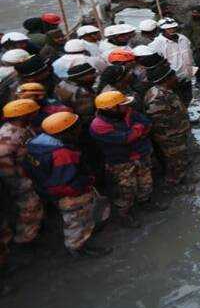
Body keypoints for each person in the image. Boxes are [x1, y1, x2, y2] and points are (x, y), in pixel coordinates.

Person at [24, 112, 112, 258]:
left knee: (74, 219)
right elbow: (65, 182)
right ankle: (78, 248)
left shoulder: (36, 144)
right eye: (75, 128)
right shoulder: (62, 153)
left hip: (48, 190)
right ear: (65, 131)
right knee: (75, 221)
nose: (78, 130)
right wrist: (85, 183)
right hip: (70, 195)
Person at [89, 91, 158, 227]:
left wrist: (135, 131)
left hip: (141, 155)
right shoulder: (98, 126)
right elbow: (125, 138)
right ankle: (124, 215)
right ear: (111, 109)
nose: (127, 107)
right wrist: (137, 130)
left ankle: (145, 202)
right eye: (122, 105)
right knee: (125, 190)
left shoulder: (128, 112)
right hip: (120, 162)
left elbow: (147, 124)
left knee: (146, 182)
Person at [0, 99, 45, 245]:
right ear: (22, 116)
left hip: (30, 172)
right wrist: (22, 185)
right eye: (32, 112)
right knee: (29, 208)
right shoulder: (7, 140)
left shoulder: (23, 127)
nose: (35, 114)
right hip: (20, 181)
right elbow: (7, 170)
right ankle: (26, 239)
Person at [143, 64, 192, 185]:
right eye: (173, 76)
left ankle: (179, 178)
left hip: (176, 133)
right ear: (166, 79)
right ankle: (175, 182)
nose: (176, 78)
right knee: (175, 161)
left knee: (178, 160)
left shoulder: (165, 92)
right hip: (170, 136)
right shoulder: (157, 98)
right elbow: (159, 122)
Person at [151, 18, 195, 107]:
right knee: (175, 100)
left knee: (188, 97)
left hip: (186, 75)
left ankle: (185, 112)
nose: (172, 30)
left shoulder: (183, 38)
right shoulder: (156, 44)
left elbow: (190, 52)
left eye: (173, 28)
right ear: (162, 30)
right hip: (172, 79)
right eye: (168, 28)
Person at [181, 5, 200, 88]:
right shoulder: (189, 23)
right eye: (193, 12)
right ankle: (199, 80)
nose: (194, 14)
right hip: (199, 47)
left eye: (196, 13)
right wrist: (192, 47)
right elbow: (186, 36)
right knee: (199, 65)